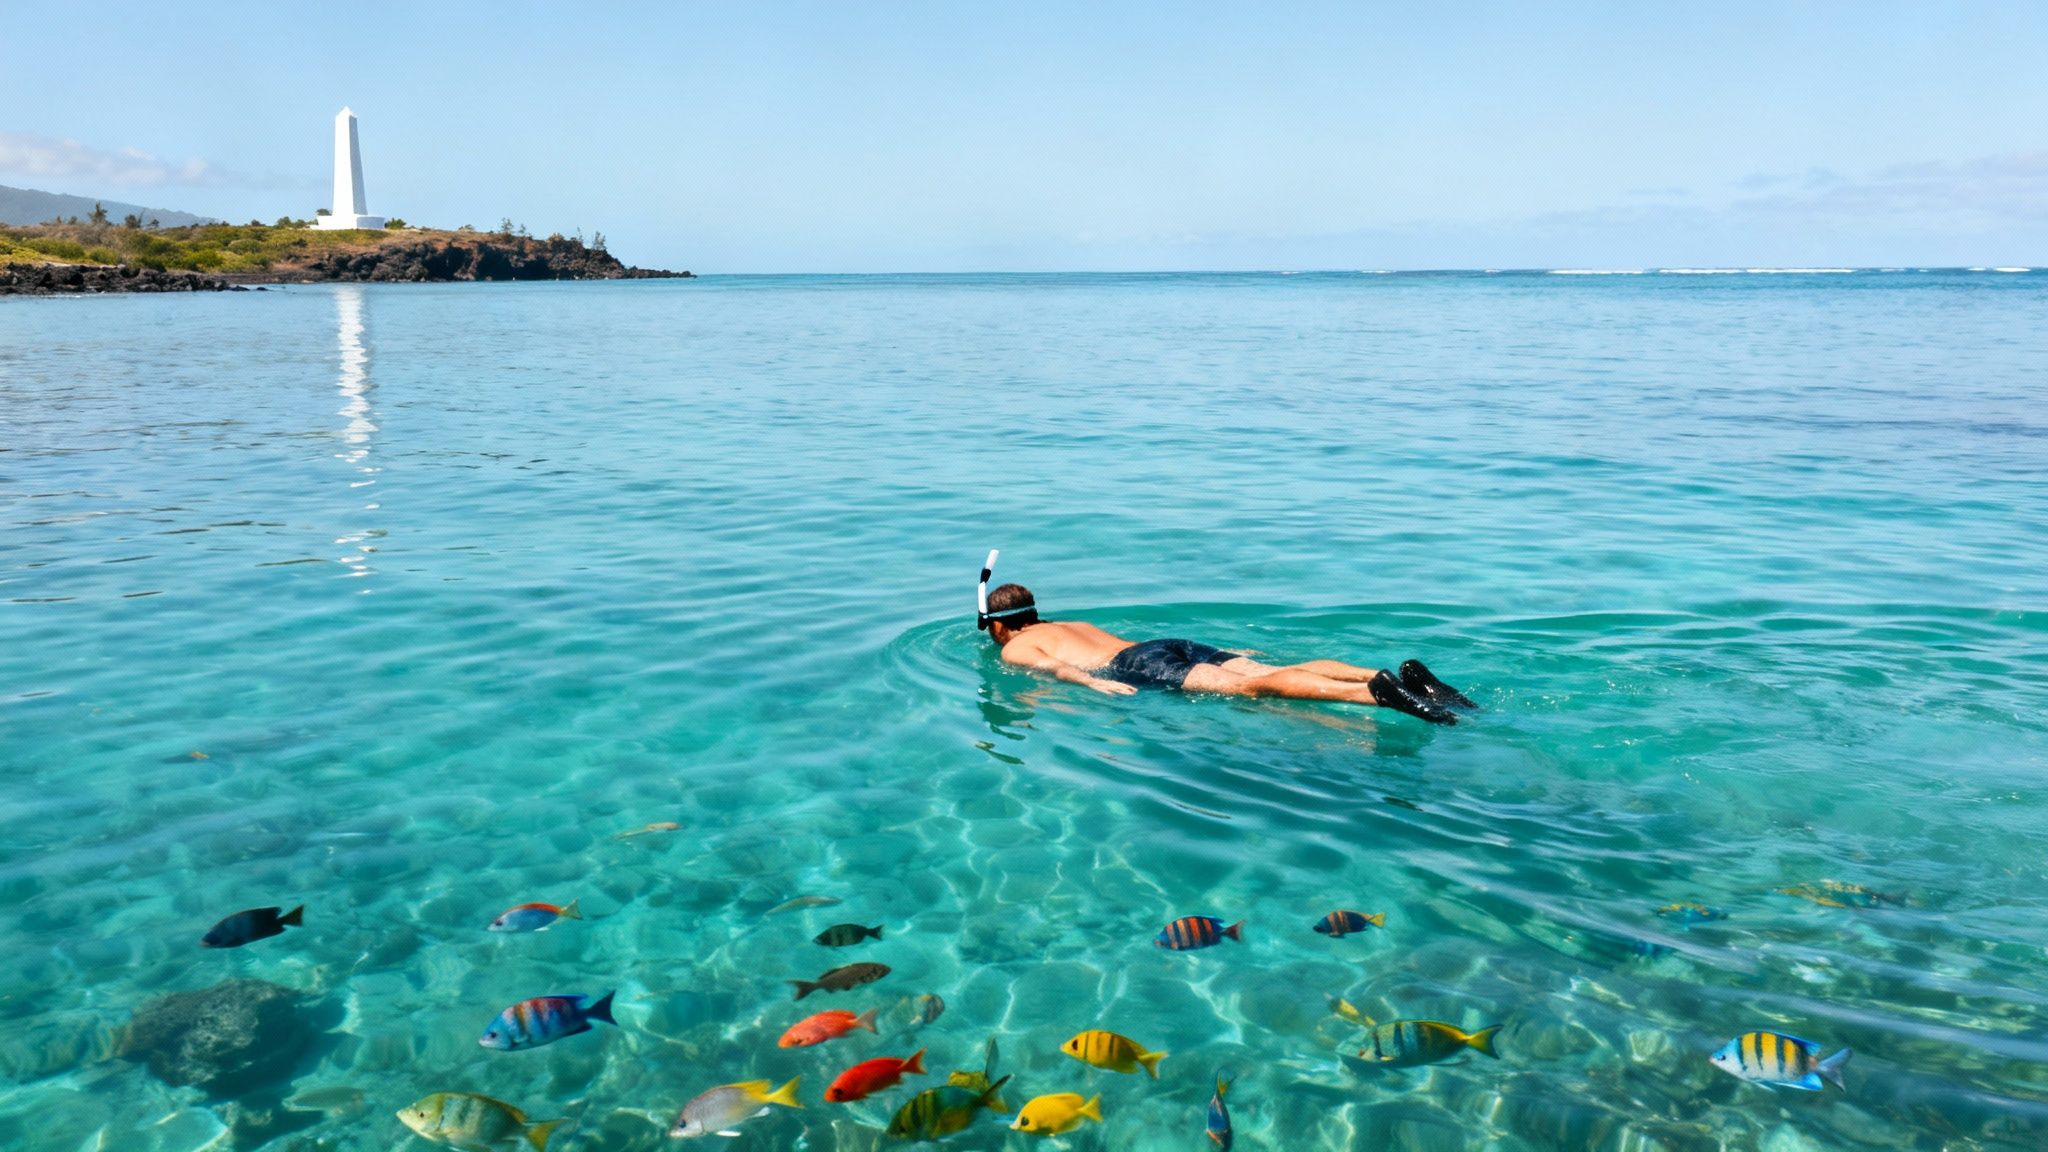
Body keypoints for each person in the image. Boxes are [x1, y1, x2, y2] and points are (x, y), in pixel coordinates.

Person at [978, 582, 1474, 725]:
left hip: (1135, 665)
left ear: (999, 625)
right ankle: (1398, 678)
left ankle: (1375, 694)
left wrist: (1092, 683)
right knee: (1272, 670)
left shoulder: (1016, 646)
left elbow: (1054, 667)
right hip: (1166, 643)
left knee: (1250, 689)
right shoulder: (1074, 622)